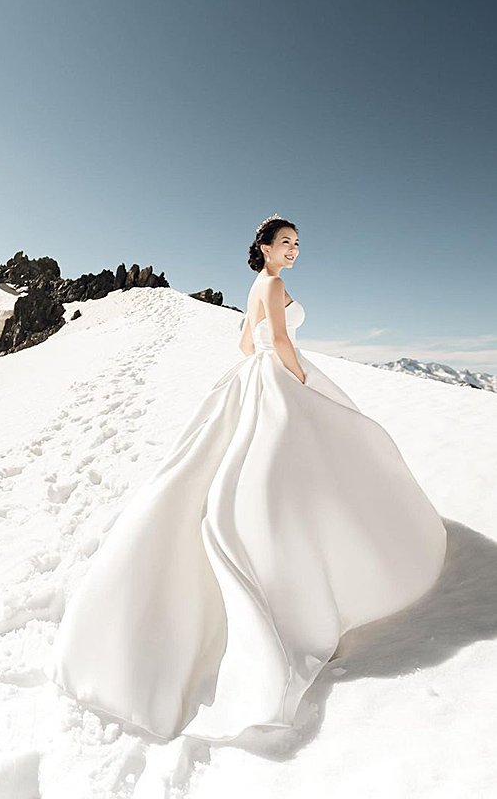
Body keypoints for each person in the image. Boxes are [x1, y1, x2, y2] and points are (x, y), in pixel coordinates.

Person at [45, 213, 447, 744]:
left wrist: (267, 359)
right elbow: (279, 341)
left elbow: (244, 346)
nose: (293, 251)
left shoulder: (257, 284)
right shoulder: (274, 283)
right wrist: (303, 380)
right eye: (285, 243)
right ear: (264, 246)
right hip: (278, 378)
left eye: (298, 244)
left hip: (250, 378)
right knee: (300, 463)